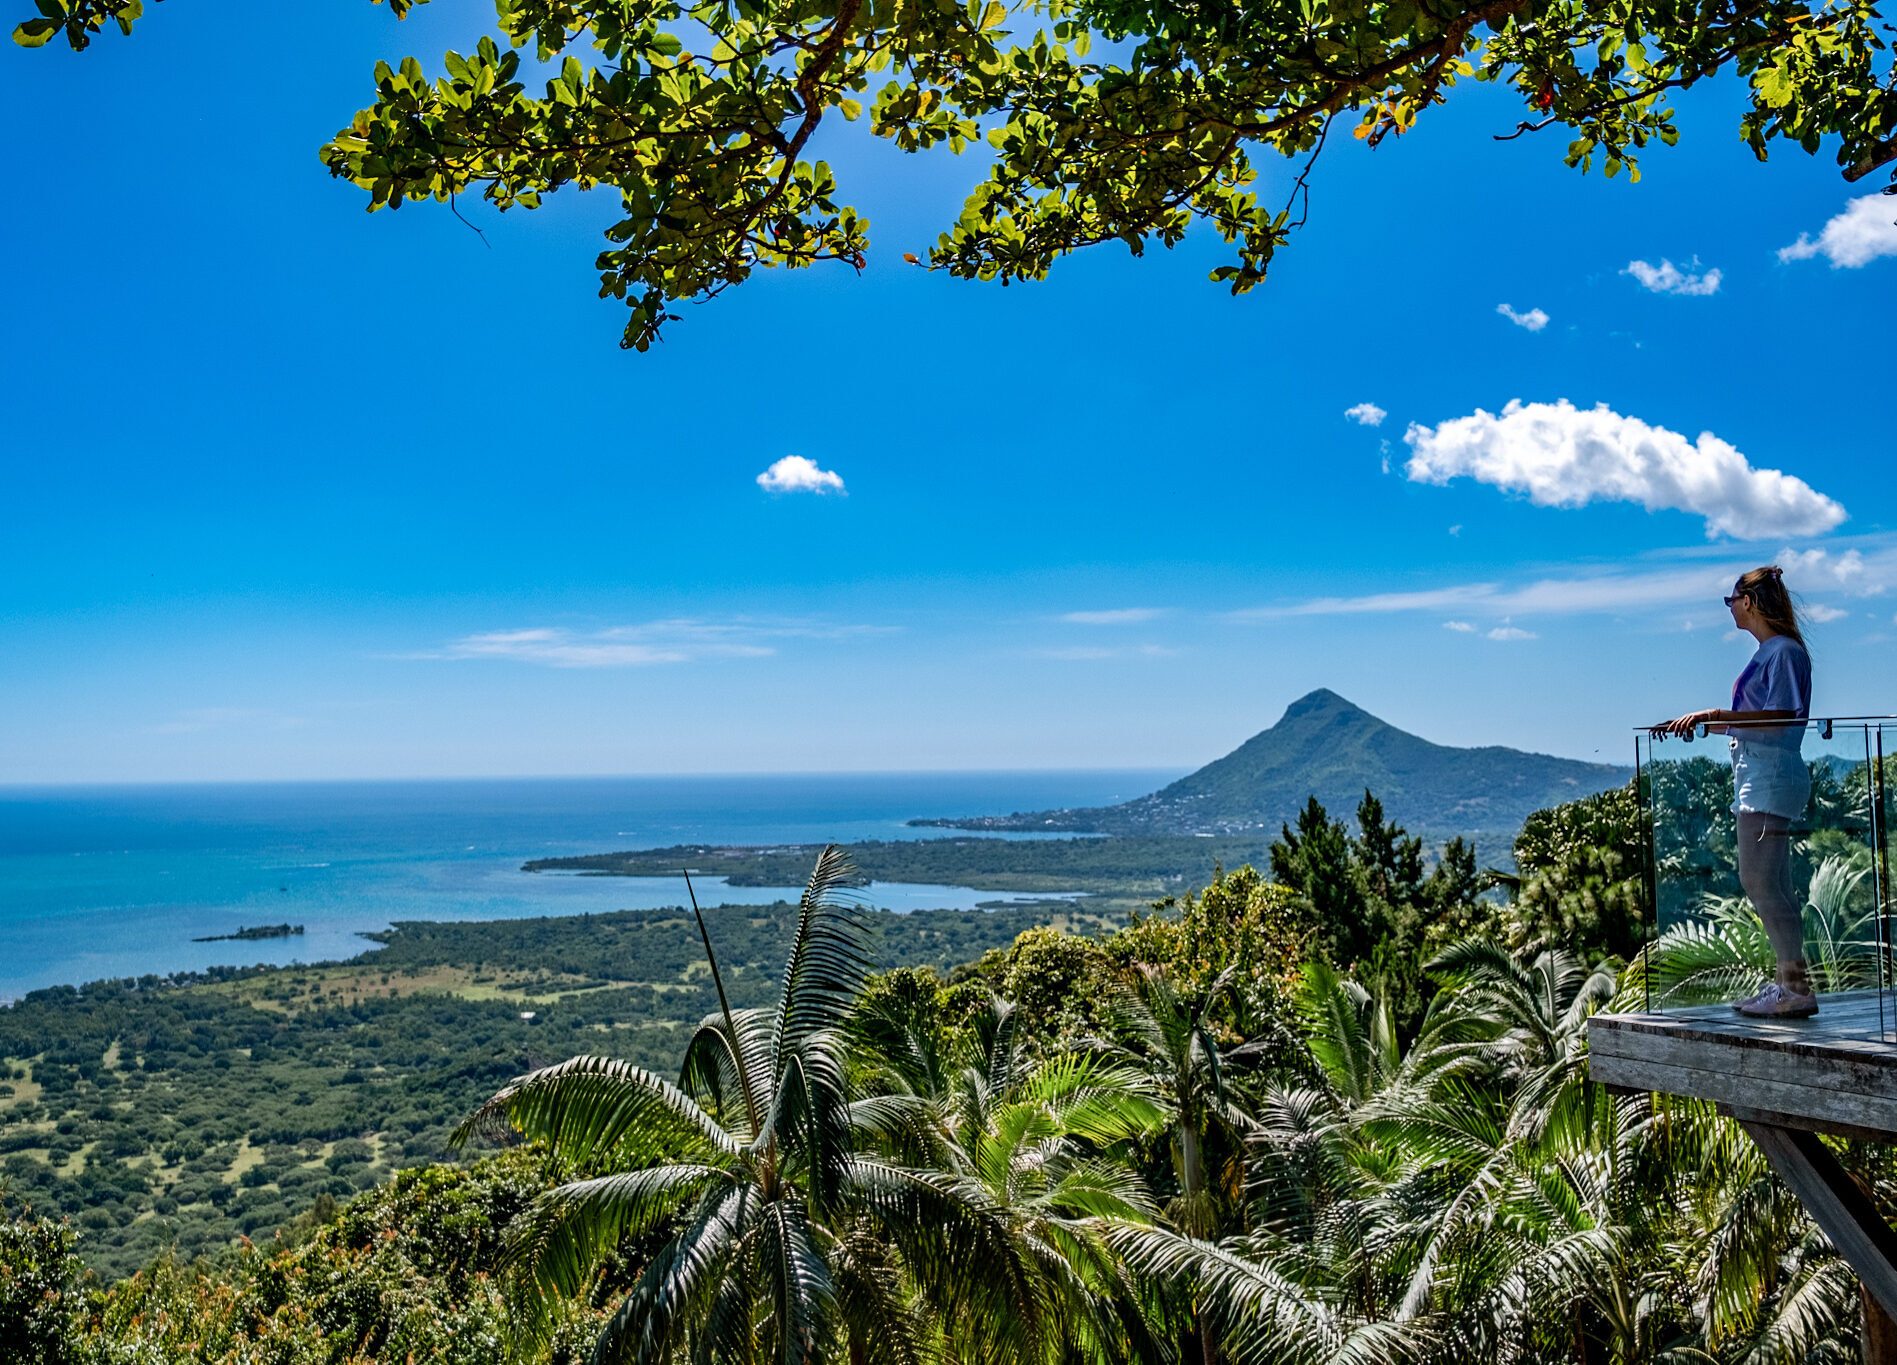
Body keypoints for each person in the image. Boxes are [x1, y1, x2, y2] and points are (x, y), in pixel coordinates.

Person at [1652, 565, 1814, 1018]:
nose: (1730, 608)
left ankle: (1796, 987)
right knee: (1773, 884)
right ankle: (1789, 982)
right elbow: (1760, 721)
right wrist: (1704, 723)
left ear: (1751, 602)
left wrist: (1715, 711)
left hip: (1769, 779)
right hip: (1762, 776)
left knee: (1759, 881)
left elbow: (1781, 717)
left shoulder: (1782, 652)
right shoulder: (1775, 652)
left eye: (1732, 600)